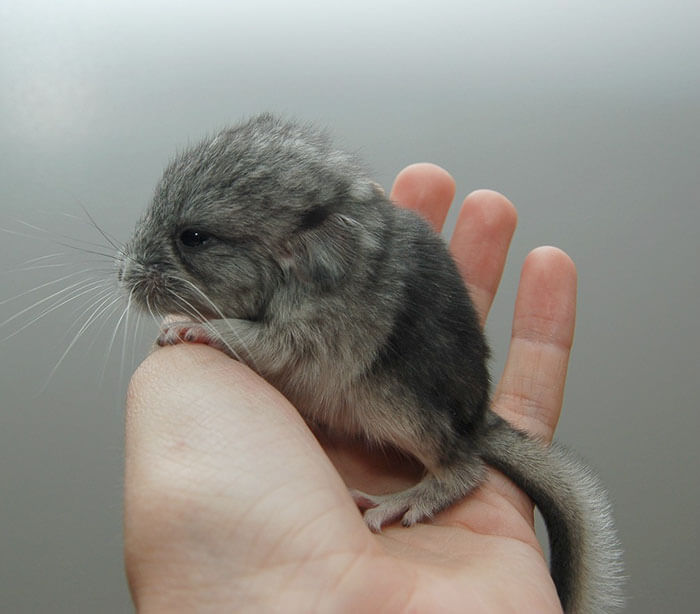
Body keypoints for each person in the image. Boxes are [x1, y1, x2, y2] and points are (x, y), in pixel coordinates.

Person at [123, 163, 576, 613]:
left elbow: (289, 346)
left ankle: (451, 471)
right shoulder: (294, 261)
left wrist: (222, 335)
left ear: (294, 250)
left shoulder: (322, 288)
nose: (135, 270)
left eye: (193, 241)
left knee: (389, 391)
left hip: (412, 380)